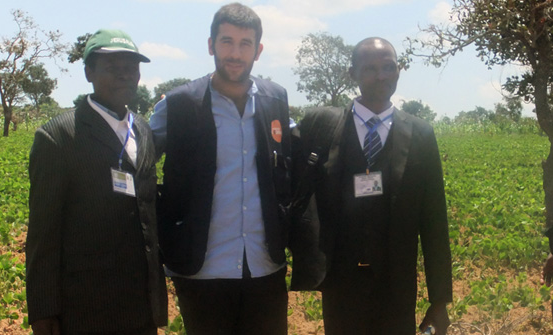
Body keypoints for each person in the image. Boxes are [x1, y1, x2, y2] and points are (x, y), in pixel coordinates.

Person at [291, 37, 453, 335]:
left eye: (388, 67)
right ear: (352, 74)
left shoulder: (420, 134)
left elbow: (434, 222)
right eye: (370, 68)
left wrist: (439, 300)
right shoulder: (323, 128)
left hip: (397, 287)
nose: (381, 76)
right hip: (340, 285)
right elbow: (291, 188)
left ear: (399, 71)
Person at [149, 3, 291, 334]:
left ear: (259, 50)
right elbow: (138, 161)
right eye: (226, 41)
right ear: (211, 44)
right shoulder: (178, 105)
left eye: (245, 44)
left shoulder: (276, 101)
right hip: (201, 270)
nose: (235, 53)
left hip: (264, 266)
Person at [26, 29, 167, 335]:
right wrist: (43, 311)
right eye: (112, 68)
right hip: (86, 307)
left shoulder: (142, 130)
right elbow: (43, 233)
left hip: (141, 303)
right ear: (89, 72)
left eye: (131, 68)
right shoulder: (59, 136)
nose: (124, 76)